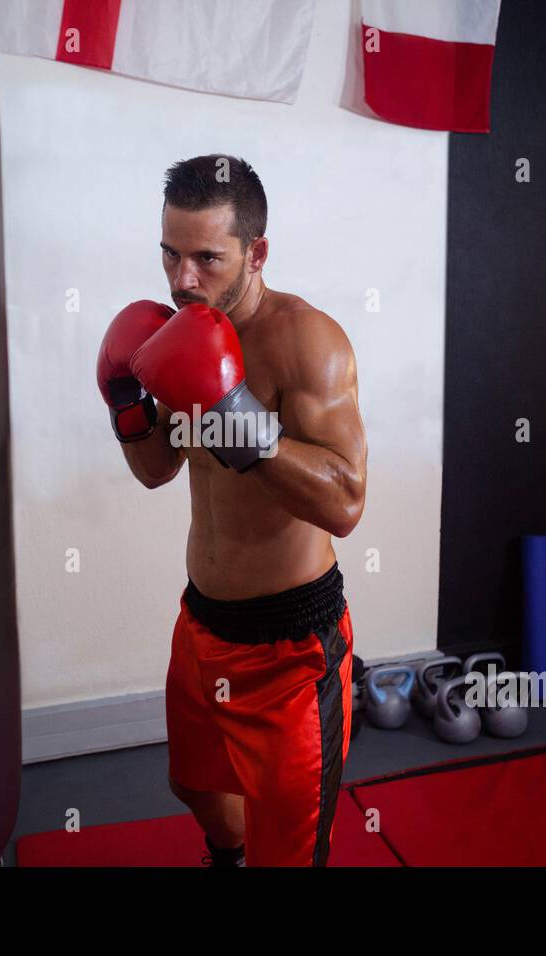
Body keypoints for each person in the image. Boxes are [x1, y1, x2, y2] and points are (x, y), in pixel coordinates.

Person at [96, 154, 368, 867]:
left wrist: (234, 416)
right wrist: (127, 404)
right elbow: (156, 470)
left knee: (291, 848)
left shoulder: (306, 341)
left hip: (289, 650)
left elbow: (346, 502)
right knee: (194, 784)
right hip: (202, 625)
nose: (183, 279)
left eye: (207, 259)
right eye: (170, 254)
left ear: (257, 252)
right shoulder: (181, 334)